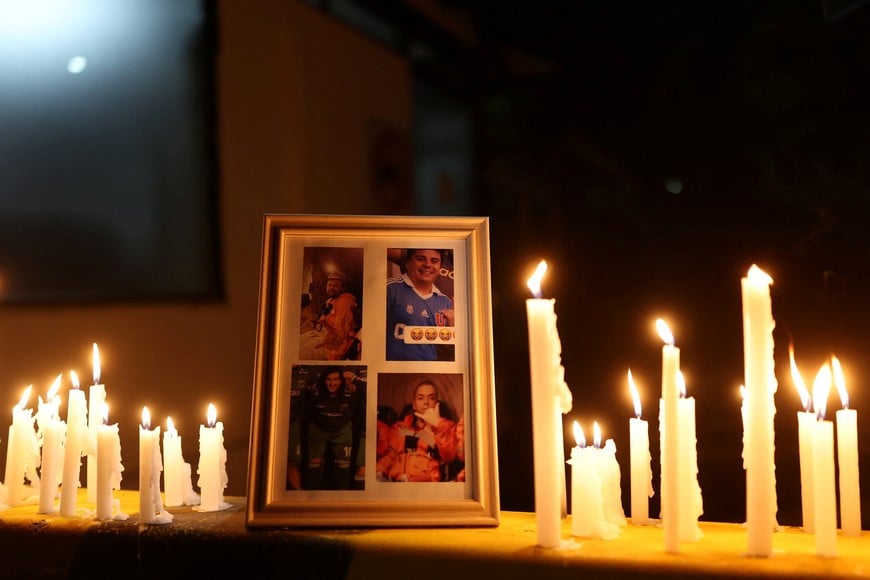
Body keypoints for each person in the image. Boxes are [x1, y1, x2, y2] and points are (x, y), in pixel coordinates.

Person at [375, 378, 464, 482]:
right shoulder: (400, 426)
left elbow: (449, 457)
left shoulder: (446, 427)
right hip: (394, 482)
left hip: (424, 485)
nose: (426, 402)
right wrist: (379, 470)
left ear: (436, 403)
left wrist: (437, 424)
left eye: (431, 398)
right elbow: (391, 454)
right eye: (421, 398)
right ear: (414, 404)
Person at [386, 249, 454, 361]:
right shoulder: (389, 290)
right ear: (407, 263)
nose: (427, 265)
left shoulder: (446, 301)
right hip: (395, 370)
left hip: (430, 371)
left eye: (434, 261)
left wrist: (452, 329)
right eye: (420, 259)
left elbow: (449, 349)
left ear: (440, 267)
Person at [302, 366, 358, 489]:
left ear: (341, 381)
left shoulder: (349, 392)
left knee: (343, 466)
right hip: (319, 430)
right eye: (328, 379)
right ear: (323, 380)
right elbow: (306, 410)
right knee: (314, 463)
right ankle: (311, 497)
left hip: (342, 430)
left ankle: (342, 498)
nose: (332, 383)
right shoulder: (314, 392)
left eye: (335, 379)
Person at [300, 270, 361, 360]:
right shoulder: (331, 300)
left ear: (343, 288)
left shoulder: (345, 301)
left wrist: (323, 322)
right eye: (330, 285)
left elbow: (339, 336)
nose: (332, 288)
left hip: (333, 346)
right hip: (319, 334)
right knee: (294, 342)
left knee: (300, 352)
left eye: (336, 285)